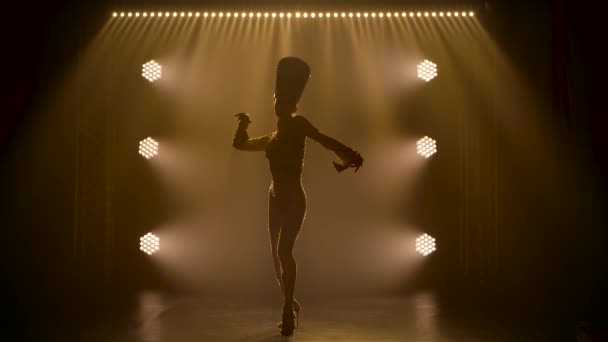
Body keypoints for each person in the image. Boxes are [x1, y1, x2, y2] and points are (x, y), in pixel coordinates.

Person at [232, 57, 363, 336]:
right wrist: (243, 124)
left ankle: (288, 312)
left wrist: (349, 154)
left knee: (284, 252)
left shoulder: (299, 124)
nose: (277, 102)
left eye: (283, 99)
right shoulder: (269, 138)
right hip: (274, 197)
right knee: (276, 257)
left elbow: (324, 139)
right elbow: (240, 145)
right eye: (276, 98)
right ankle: (291, 304)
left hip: (293, 197)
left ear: (292, 106)